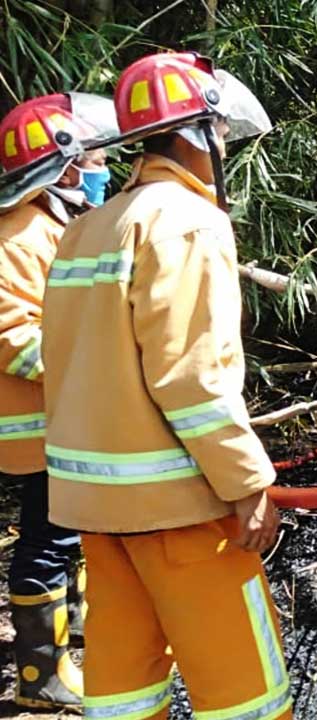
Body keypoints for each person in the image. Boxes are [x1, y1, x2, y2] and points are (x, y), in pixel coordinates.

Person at [40, 52, 291, 720]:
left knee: (124, 693)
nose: (224, 147)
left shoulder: (87, 227)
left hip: (97, 509)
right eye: (221, 133)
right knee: (246, 694)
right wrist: (247, 484)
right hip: (179, 510)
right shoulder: (187, 222)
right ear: (197, 134)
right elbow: (192, 378)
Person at [0, 91, 117, 711]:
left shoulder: (48, 227)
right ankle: (40, 677)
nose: (101, 169)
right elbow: (12, 337)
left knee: (68, 534)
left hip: (57, 422)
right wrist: (87, 369)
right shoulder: (18, 237)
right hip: (34, 426)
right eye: (94, 160)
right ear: (64, 166)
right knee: (47, 542)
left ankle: (71, 646)